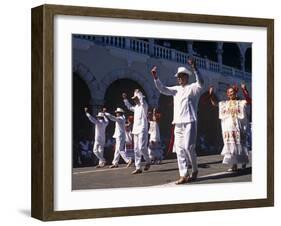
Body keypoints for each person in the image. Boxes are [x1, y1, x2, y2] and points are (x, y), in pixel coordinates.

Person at [151, 59, 204, 184]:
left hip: (190, 121)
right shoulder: (175, 89)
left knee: (188, 147)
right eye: (178, 77)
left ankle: (195, 169)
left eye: (181, 76)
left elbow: (201, 82)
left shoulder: (193, 88)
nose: (179, 79)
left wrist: (195, 68)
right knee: (179, 149)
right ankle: (183, 174)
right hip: (178, 123)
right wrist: (155, 77)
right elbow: (162, 89)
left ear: (186, 77)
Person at [209, 84, 251, 171]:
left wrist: (244, 90)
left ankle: (243, 161)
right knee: (231, 146)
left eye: (232, 92)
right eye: (229, 92)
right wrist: (211, 94)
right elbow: (214, 103)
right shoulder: (224, 104)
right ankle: (233, 165)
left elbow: (249, 101)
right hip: (228, 128)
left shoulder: (240, 103)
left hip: (238, 127)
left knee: (240, 145)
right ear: (227, 94)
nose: (231, 94)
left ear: (235, 93)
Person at [123, 89, 151, 174]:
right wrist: (125, 100)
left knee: (142, 147)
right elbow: (129, 107)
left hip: (143, 128)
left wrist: (138, 93)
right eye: (134, 99)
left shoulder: (144, 105)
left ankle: (148, 161)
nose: (135, 100)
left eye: (136, 98)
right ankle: (138, 167)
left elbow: (142, 100)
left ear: (139, 97)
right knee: (136, 149)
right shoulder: (136, 108)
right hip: (135, 130)